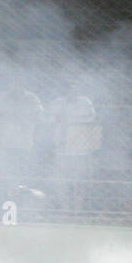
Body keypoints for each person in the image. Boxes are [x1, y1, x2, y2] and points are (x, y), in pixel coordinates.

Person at [49, 80, 100, 215]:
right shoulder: (56, 103)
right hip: (61, 149)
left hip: (80, 149)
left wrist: (72, 120)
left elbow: (91, 119)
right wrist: (57, 120)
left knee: (79, 181)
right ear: (65, 91)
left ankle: (78, 211)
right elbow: (46, 119)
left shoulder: (85, 103)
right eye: (69, 90)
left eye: (75, 90)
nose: (72, 93)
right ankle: (65, 209)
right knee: (61, 182)